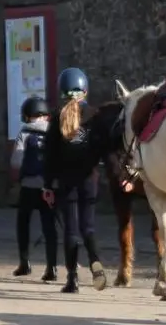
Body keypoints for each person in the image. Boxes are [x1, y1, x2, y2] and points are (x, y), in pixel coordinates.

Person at [41, 67, 109, 294]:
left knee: (70, 231)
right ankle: (95, 261)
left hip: (66, 183)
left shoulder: (57, 118)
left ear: (62, 90)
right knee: (88, 228)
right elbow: (104, 150)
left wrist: (47, 186)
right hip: (89, 180)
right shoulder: (94, 116)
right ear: (85, 90)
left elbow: (49, 156)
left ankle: (72, 279)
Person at [9, 95, 58, 282]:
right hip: (49, 188)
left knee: (23, 224)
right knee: (49, 227)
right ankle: (52, 267)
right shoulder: (54, 133)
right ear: (46, 115)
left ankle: (24, 263)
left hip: (28, 187)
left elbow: (16, 161)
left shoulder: (25, 133)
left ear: (28, 115)